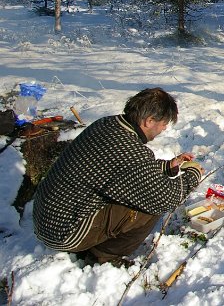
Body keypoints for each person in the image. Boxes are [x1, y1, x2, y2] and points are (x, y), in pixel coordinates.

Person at [33, 87, 204, 266]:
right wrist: (193, 175)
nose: (164, 128)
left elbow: (121, 169)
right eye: (163, 123)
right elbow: (164, 197)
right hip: (65, 232)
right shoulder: (128, 149)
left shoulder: (108, 124)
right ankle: (103, 257)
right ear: (149, 121)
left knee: (142, 191)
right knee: (149, 204)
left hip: (48, 218)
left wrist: (168, 166)